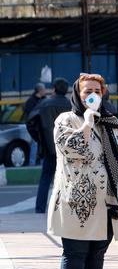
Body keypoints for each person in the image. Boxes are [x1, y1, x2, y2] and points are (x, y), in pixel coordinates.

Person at [47, 73, 118, 269]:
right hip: (77, 201)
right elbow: (71, 149)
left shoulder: (111, 121)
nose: (92, 95)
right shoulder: (66, 119)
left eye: (97, 90)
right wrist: (86, 124)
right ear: (78, 93)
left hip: (107, 200)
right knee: (75, 253)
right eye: (87, 91)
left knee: (97, 254)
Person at [26, 78, 71, 213]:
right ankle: (64, 210)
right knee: (67, 179)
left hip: (49, 149)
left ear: (54, 89)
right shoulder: (71, 105)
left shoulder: (44, 103)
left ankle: (40, 209)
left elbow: (30, 123)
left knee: (45, 178)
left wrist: (40, 139)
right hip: (67, 149)